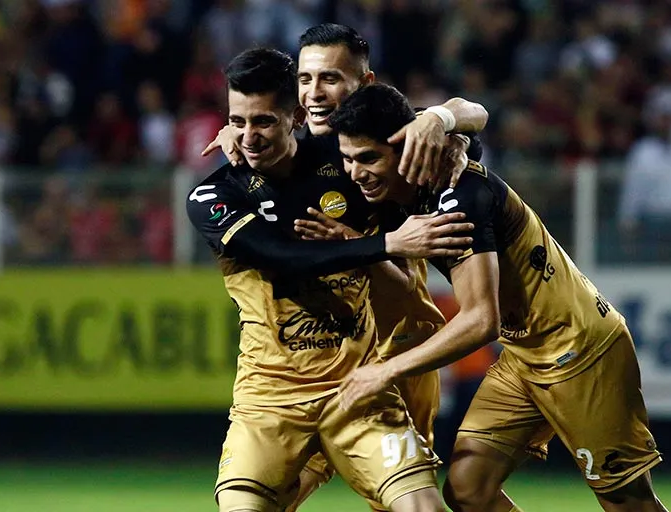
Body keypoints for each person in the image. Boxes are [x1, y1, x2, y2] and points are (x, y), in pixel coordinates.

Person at [296, 83, 668, 512]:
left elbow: (480, 321)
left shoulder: (457, 198)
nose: (355, 172)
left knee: (628, 501)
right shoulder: (404, 184)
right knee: (469, 491)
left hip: (580, 349)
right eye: (348, 159)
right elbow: (465, 120)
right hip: (524, 355)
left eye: (368, 159)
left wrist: (384, 371)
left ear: (408, 148)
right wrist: (356, 245)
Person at [200, 23, 489, 512]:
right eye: (305, 79)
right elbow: (279, 251)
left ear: (365, 83)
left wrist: (442, 125)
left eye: (330, 79)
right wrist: (252, 128)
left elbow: (474, 119)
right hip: (294, 379)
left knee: (411, 501)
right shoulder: (272, 159)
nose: (315, 93)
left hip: (398, 348)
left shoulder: (381, 141)